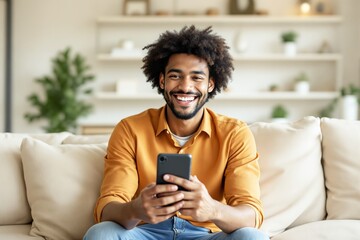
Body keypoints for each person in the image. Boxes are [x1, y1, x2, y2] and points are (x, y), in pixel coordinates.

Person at [84, 25, 269, 240]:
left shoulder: (235, 133)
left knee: (252, 237)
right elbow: (107, 207)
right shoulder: (130, 129)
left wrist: (212, 210)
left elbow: (252, 215)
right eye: (175, 76)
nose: (185, 86)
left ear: (210, 84)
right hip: (145, 232)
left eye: (197, 78)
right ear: (162, 81)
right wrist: (135, 209)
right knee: (101, 234)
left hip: (207, 235)